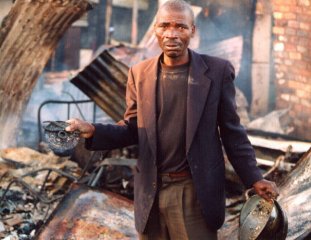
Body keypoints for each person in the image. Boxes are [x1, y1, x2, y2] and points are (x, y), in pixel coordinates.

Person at [66, 0, 279, 239]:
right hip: (151, 191)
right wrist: (93, 130)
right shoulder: (139, 74)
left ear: (192, 31)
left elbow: (232, 132)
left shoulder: (217, 72)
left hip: (194, 192)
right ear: (155, 29)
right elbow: (133, 128)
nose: (172, 34)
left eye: (180, 27)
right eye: (164, 26)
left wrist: (254, 178)